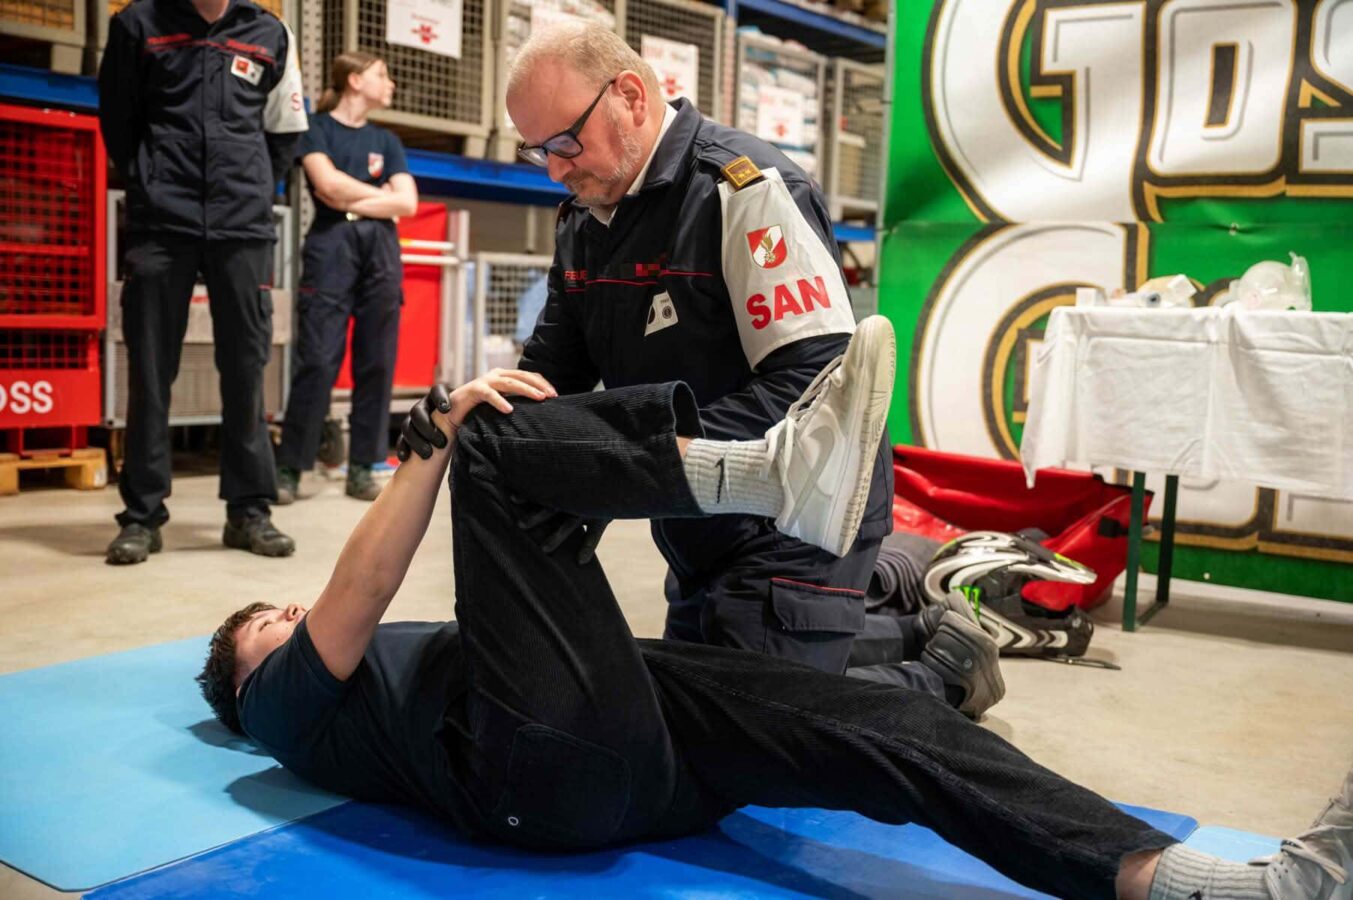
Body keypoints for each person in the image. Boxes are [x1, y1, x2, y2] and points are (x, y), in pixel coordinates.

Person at [199, 318, 1351, 900]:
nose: (289, 614)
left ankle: (1198, 886)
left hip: (628, 737)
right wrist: (430, 442)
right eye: (268, 622)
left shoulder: (356, 693)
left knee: (890, 735)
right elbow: (362, 586)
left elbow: (519, 602)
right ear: (247, 682)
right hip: (532, 774)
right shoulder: (286, 719)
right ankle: (757, 474)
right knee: (487, 437)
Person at [401, 20, 998, 715]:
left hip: (795, 517)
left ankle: (945, 676)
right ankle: (902, 628)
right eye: (541, 152)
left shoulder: (744, 191)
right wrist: (467, 416)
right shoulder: (586, 223)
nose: (557, 169)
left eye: (566, 142)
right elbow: (548, 381)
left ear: (629, 94)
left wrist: (630, 462)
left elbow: (813, 387)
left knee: (752, 728)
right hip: (694, 517)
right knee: (685, 703)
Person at [99, 0, 308, 564]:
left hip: (242, 223)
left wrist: (254, 189)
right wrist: (151, 180)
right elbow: (118, 121)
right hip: (161, 223)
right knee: (150, 367)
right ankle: (142, 516)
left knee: (246, 365)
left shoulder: (269, 32)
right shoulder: (137, 25)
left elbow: (284, 130)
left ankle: (249, 511)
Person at [275, 52, 419, 505]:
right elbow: (327, 187)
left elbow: (408, 203)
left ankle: (363, 466)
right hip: (331, 247)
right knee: (317, 359)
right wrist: (380, 197)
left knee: (376, 361)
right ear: (355, 80)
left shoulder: (387, 140)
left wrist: (353, 196)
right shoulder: (316, 128)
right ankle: (290, 468)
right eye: (382, 75)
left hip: (380, 250)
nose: (390, 83)